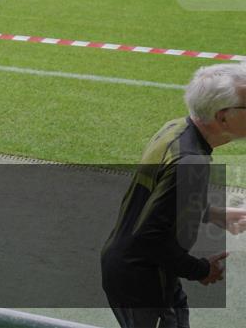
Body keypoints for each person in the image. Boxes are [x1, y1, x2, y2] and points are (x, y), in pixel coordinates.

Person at [101, 62, 246, 328]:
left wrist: (216, 215)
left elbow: (163, 198)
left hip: (141, 272)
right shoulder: (191, 162)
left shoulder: (177, 130)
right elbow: (147, 238)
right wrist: (201, 269)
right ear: (223, 117)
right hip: (143, 282)